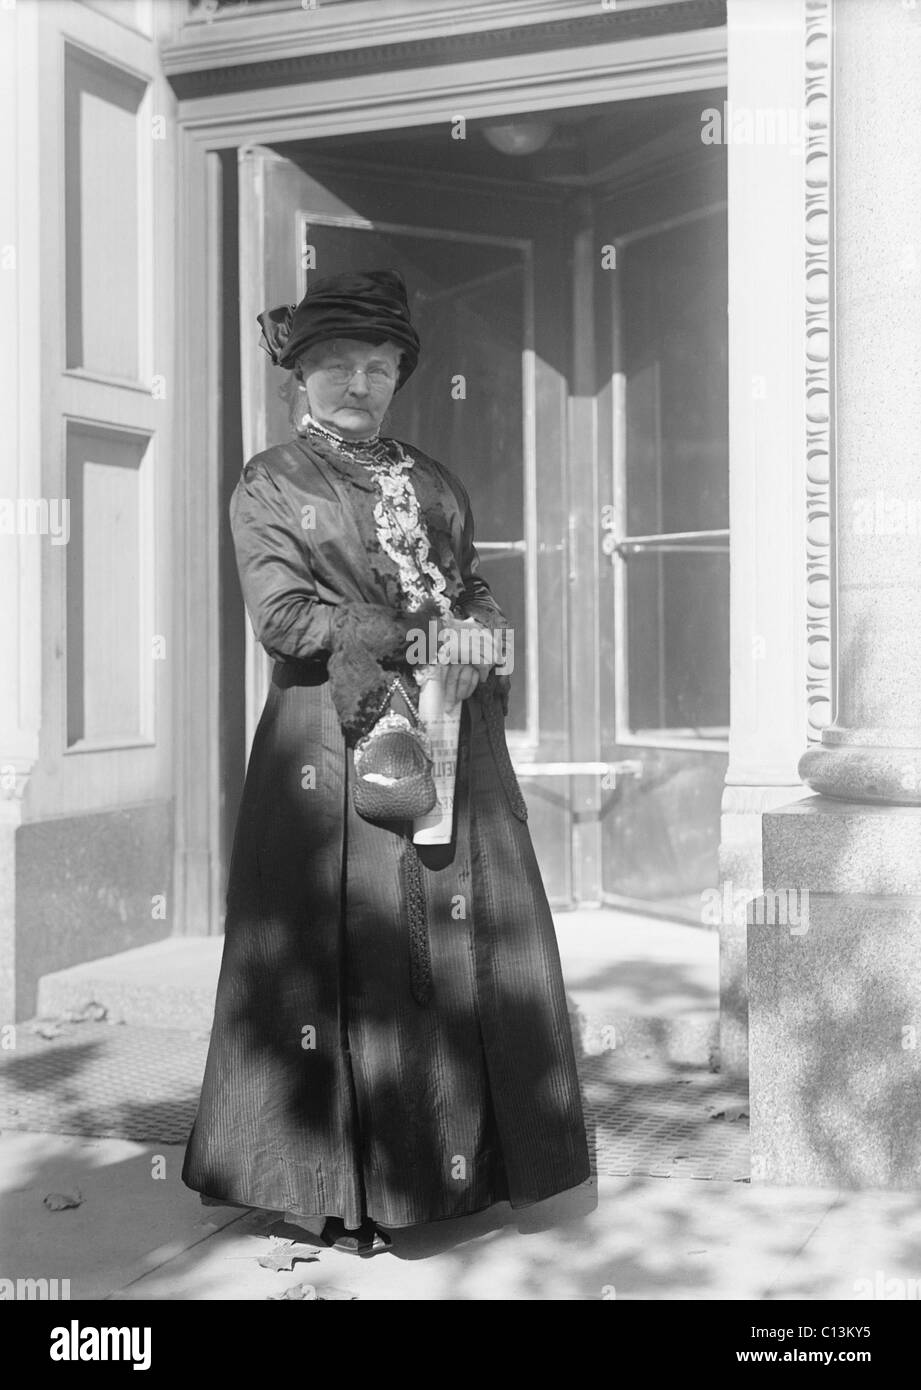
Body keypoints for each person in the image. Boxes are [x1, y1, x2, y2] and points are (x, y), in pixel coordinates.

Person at [181, 268, 590, 1255]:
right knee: (364, 950)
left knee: (464, 946)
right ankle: (343, 1188)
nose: (360, 383)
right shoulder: (272, 479)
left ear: (399, 373)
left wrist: (483, 626)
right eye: (337, 365)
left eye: (378, 365)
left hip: (454, 732)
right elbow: (283, 619)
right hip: (336, 744)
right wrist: (416, 637)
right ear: (302, 375)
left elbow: (469, 584)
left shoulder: (432, 479)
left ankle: (471, 1169)